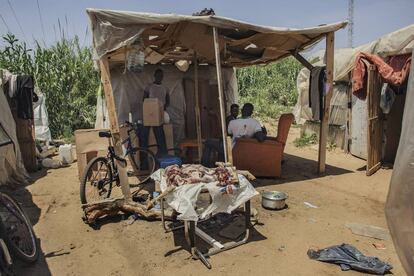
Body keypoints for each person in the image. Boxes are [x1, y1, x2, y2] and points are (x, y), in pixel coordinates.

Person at [139, 69, 169, 159]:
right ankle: (144, 161)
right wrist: (152, 105)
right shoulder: (149, 87)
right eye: (158, 75)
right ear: (155, 76)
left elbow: (168, 102)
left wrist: (161, 107)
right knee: (144, 137)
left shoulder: (165, 88)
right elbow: (144, 100)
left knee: (160, 137)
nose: (159, 77)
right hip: (150, 114)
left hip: (159, 115)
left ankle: (163, 157)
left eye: (161, 76)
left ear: (162, 77)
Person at [201, 103, 239, 168]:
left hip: (228, 145)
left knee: (208, 142)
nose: (235, 112)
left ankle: (205, 165)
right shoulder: (233, 120)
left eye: (236, 111)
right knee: (212, 142)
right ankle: (213, 163)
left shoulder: (230, 120)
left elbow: (228, 134)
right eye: (234, 110)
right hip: (231, 143)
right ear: (231, 111)